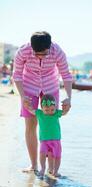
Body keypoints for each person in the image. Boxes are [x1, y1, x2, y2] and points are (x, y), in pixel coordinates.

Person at [13, 31, 72, 172]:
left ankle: (51, 169)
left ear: (49, 46)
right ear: (31, 47)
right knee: (30, 125)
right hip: (29, 87)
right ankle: (34, 165)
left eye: (44, 54)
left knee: (50, 124)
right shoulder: (23, 52)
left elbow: (66, 75)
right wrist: (22, 96)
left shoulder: (57, 52)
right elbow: (17, 75)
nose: (40, 56)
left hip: (50, 87)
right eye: (37, 53)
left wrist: (69, 97)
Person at [25, 94, 65, 179]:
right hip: (44, 140)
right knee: (42, 154)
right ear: (42, 108)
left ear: (55, 107)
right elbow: (31, 110)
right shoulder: (39, 113)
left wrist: (67, 105)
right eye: (46, 110)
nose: (50, 112)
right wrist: (26, 104)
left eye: (52, 110)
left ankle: (55, 171)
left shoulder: (56, 113)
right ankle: (42, 169)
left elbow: (64, 112)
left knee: (57, 156)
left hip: (56, 140)